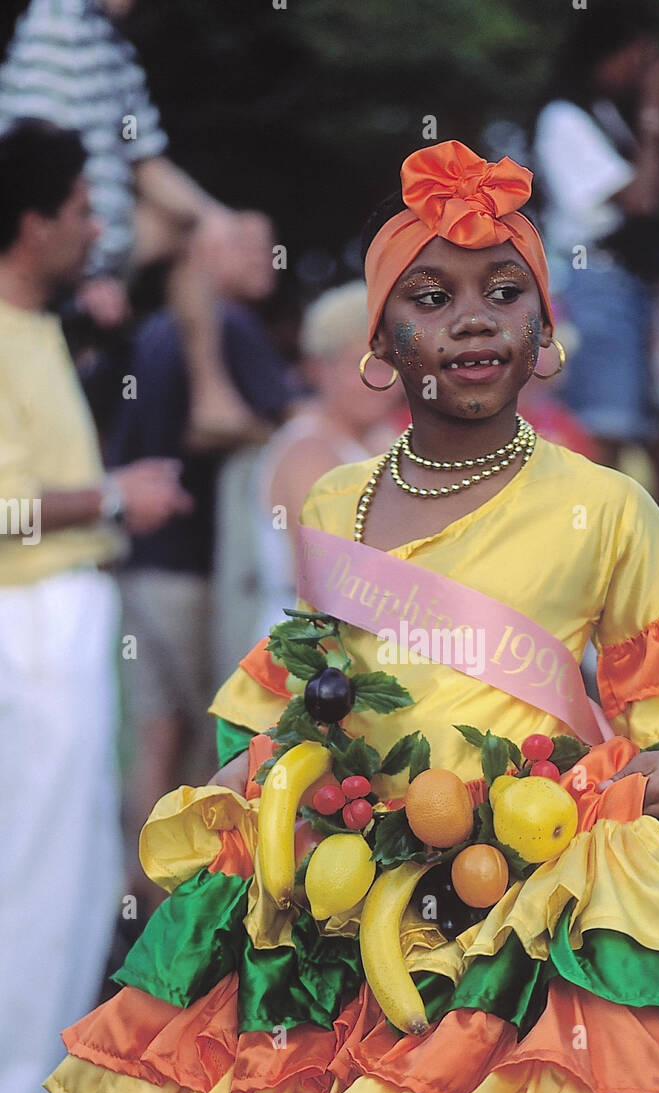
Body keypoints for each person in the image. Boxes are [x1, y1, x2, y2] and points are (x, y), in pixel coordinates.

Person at [0, 140, 659, 1093]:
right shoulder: (332, 501)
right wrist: (267, 817)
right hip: (344, 880)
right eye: (432, 296)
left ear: (543, 332)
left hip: (524, 891)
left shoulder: (606, 505)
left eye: (506, 294)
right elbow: (296, 688)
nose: (474, 322)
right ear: (379, 344)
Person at [0, 119, 191, 1093]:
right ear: (33, 223)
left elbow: (181, 229)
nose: (96, 226)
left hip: (66, 608)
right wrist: (117, 494)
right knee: (30, 855)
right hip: (25, 611)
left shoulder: (44, 321)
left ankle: (32, 1086)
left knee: (70, 861)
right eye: (80, 208)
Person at [106, 208, 291, 920]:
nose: (266, 260)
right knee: (213, 753)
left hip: (144, 566)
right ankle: (183, 924)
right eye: (250, 246)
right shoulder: (230, 327)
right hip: (192, 574)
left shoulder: (158, 330)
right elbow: (236, 424)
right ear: (210, 254)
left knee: (155, 741)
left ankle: (135, 907)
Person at [0, 0, 270, 447]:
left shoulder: (112, 46)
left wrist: (216, 220)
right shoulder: (59, 22)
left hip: (96, 238)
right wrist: (85, 274)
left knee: (185, 231)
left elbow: (145, 160)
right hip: (54, 248)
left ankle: (212, 402)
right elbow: (40, 167)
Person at [532, 1, 659, 483]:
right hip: (598, 282)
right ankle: (598, 545)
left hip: (640, 285)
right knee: (606, 423)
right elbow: (640, 198)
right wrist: (653, 112)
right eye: (637, 58)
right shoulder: (564, 118)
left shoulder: (609, 115)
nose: (644, 70)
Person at [255, 280, 406, 635]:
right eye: (363, 364)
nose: (379, 381)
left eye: (389, 365)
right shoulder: (306, 449)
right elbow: (330, 574)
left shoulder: (387, 441)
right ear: (319, 368)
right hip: (310, 645)